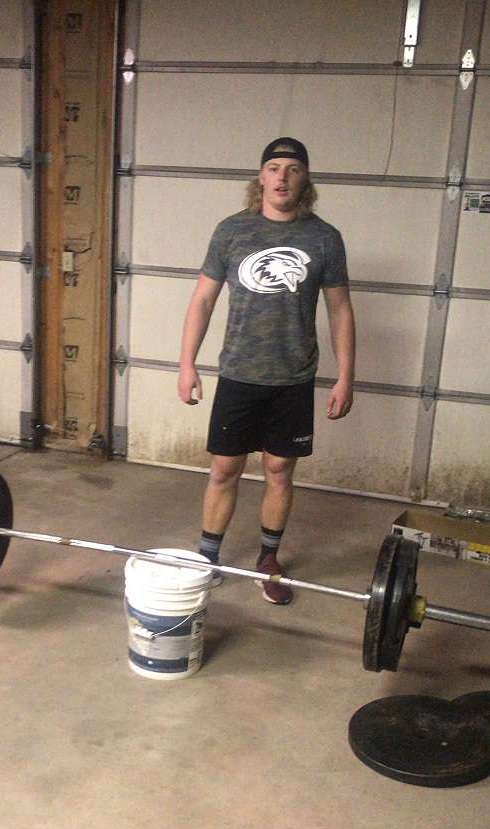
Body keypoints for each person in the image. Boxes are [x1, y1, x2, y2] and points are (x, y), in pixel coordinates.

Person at [177, 137, 355, 605]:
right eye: (274, 167)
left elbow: (340, 310)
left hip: (293, 377)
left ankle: (268, 560)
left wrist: (345, 376)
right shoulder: (231, 231)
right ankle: (208, 560)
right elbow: (203, 299)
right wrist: (186, 364)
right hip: (239, 372)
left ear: (305, 180)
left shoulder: (324, 238)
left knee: (279, 471)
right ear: (260, 177)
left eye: (292, 169)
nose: (282, 177)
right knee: (224, 469)